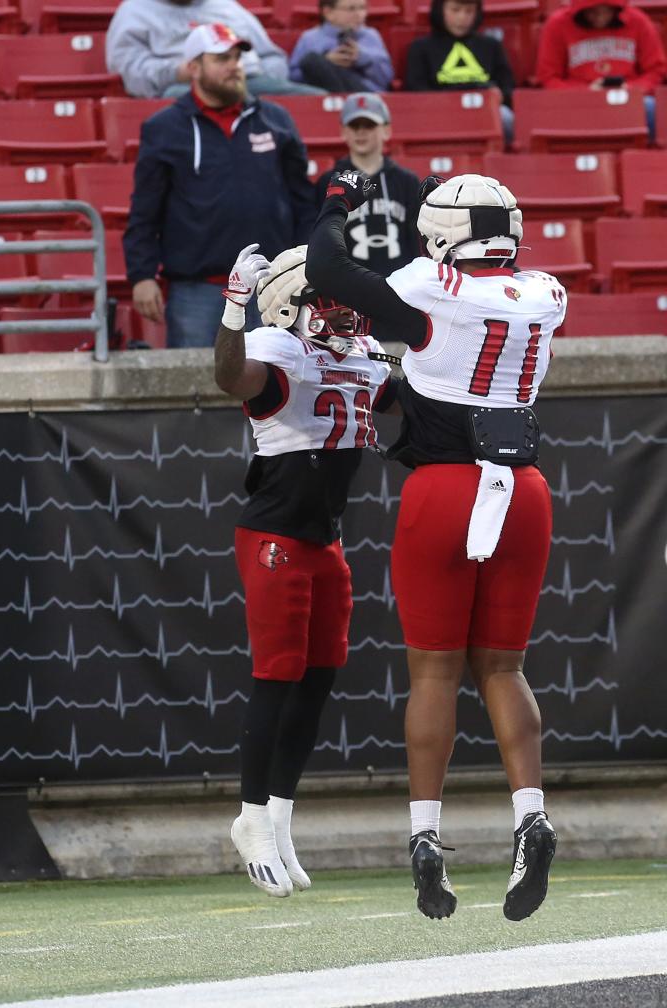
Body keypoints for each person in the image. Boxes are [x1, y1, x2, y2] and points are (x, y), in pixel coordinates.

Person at [305, 170, 566, 922]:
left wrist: (336, 202)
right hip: (523, 495)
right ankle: (531, 817)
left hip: (444, 493)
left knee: (433, 672)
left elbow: (328, 269)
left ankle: (426, 838)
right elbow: (451, 363)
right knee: (506, 668)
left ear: (444, 235)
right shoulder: (547, 293)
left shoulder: (429, 283)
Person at [214, 242, 399, 897]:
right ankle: (251, 818)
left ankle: (281, 820)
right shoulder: (279, 349)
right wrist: (236, 309)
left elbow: (408, 414)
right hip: (275, 537)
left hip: (325, 541)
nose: (350, 315)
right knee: (277, 678)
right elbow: (230, 379)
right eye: (335, 302)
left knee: (317, 683)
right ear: (296, 303)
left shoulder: (366, 360)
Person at [124, 23, 316, 348]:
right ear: (193, 67)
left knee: (278, 388)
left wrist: (304, 269)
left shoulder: (277, 121)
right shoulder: (164, 129)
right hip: (197, 291)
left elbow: (303, 202)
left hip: (271, 286)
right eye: (221, 58)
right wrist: (142, 276)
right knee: (197, 389)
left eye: (237, 57)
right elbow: (145, 210)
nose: (234, 66)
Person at [106, 0, 325, 98]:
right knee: (175, 99)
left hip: (251, 81)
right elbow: (129, 68)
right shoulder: (134, 10)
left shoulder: (226, 5)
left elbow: (271, 55)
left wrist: (259, 75)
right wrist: (175, 72)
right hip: (187, 85)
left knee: (318, 100)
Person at [315, 93, 421, 277]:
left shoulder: (408, 182)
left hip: (400, 287)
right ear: (343, 131)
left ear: (386, 130)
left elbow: (417, 242)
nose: (360, 132)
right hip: (348, 291)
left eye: (369, 125)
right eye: (354, 125)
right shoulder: (328, 183)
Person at [535, 0, 666, 141]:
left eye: (606, 11)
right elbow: (548, 78)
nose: (599, 17)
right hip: (577, 103)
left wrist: (632, 89)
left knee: (651, 108)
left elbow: (656, 70)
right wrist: (586, 92)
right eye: (592, 12)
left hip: (627, 99)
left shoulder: (638, 21)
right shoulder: (557, 24)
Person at [404, 0, 515, 143]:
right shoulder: (420, 48)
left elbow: (508, 87)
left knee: (506, 117)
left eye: (469, 11)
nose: (462, 17)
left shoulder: (492, 46)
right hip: (439, 113)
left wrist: (499, 95)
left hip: (483, 111)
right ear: (440, 10)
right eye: (455, 10)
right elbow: (416, 91)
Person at [288, 0, 393, 94]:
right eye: (351, 9)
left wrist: (361, 58)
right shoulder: (310, 38)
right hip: (323, 97)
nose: (360, 14)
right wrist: (326, 63)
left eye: (363, 8)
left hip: (365, 95)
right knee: (312, 61)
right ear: (328, 13)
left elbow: (386, 79)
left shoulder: (371, 36)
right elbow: (294, 79)